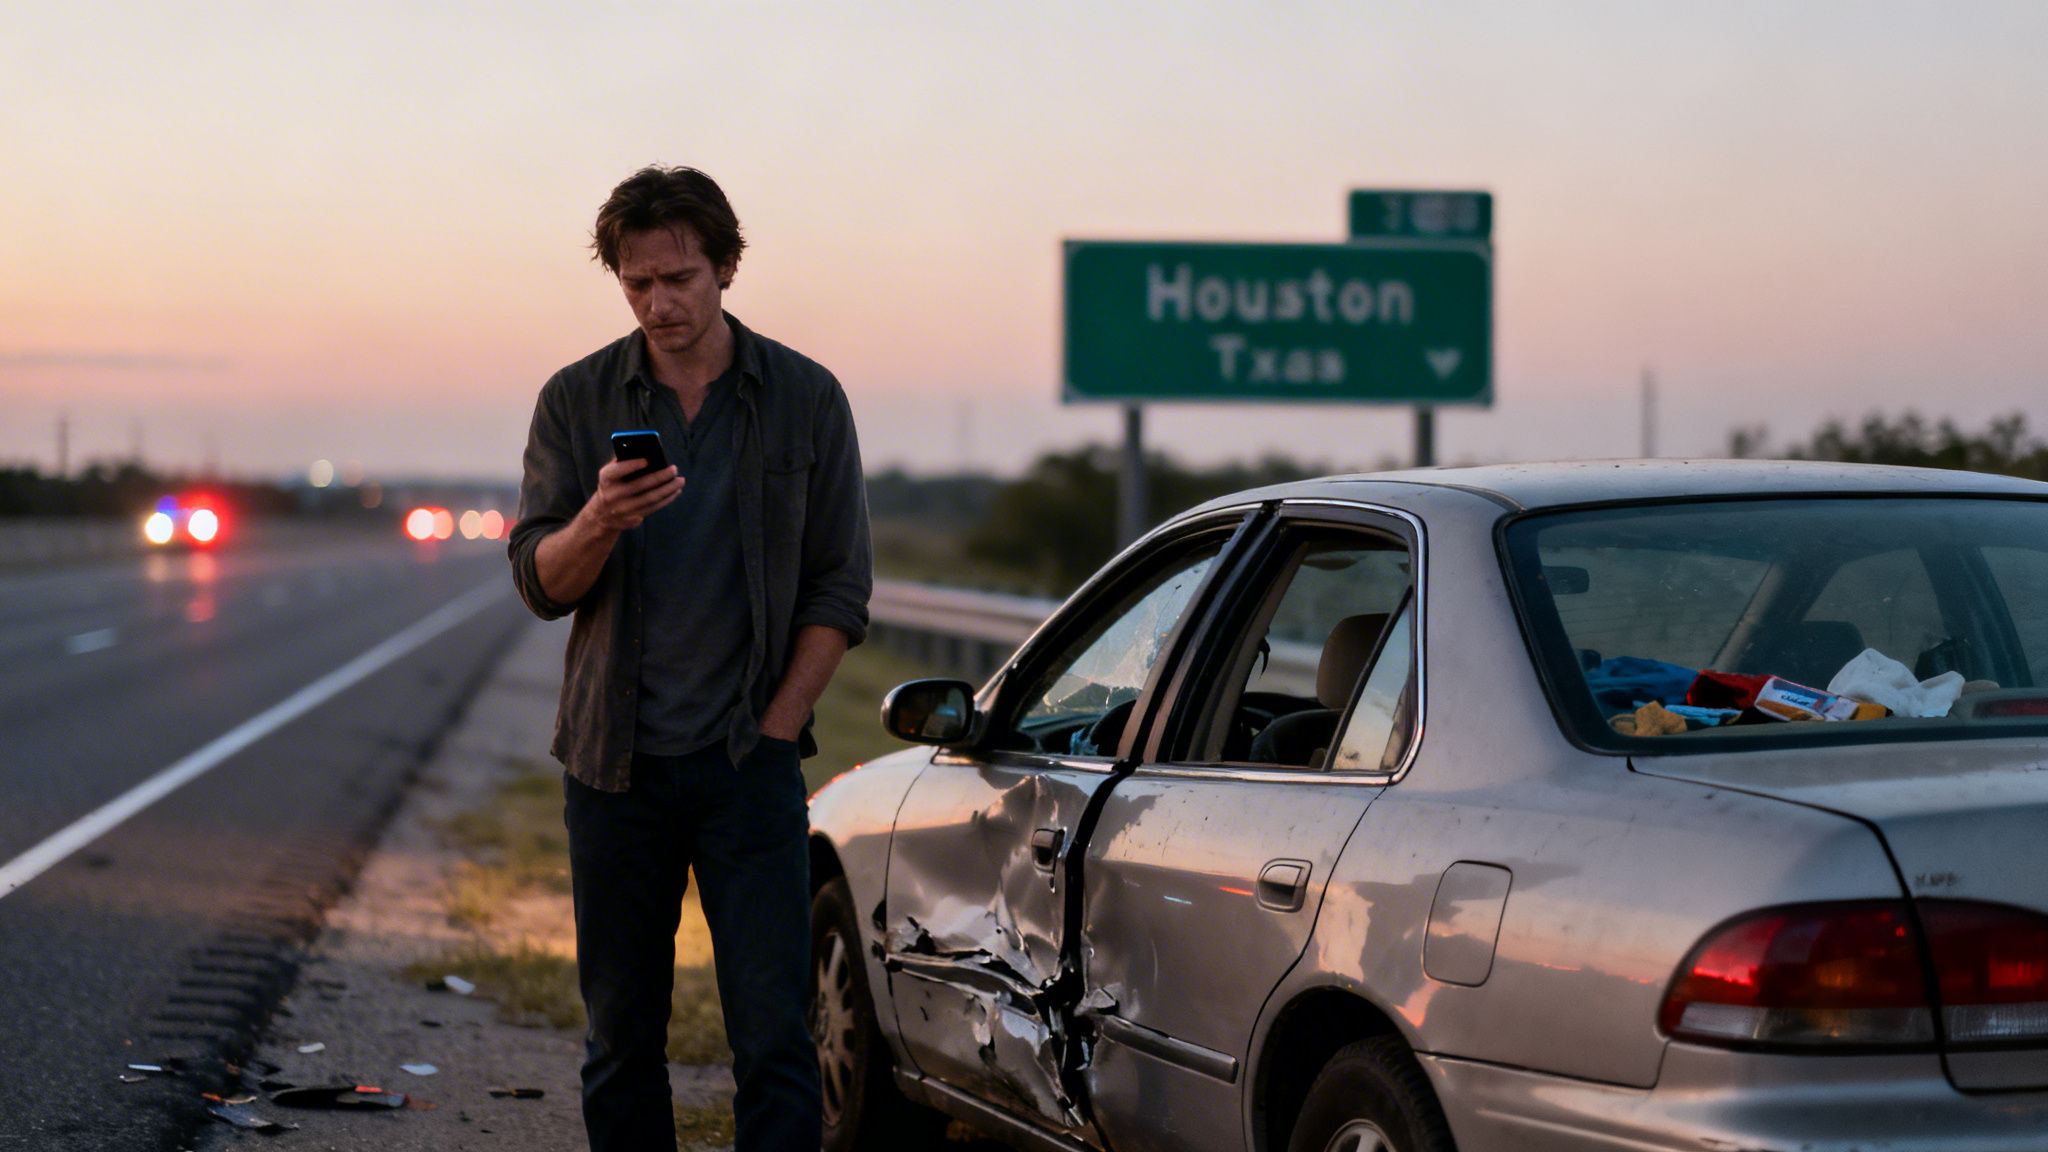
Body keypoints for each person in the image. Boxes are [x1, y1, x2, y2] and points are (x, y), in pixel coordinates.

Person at [508, 165, 872, 1151]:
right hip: (612, 768)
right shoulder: (577, 400)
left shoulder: (803, 399)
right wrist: (597, 518)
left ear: (725, 267)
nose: (659, 303)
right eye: (636, 284)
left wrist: (774, 728)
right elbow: (540, 584)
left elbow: (839, 587)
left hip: (745, 765)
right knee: (622, 1040)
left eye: (678, 277)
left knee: (773, 1039)